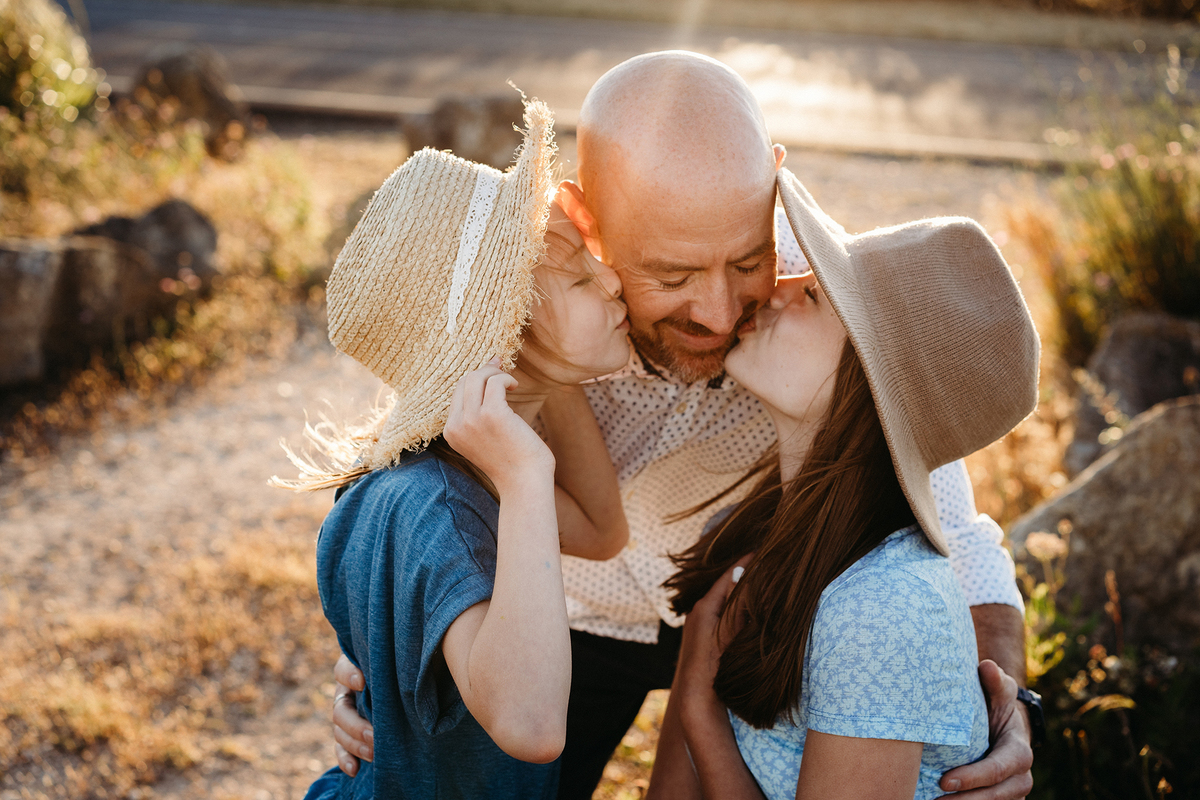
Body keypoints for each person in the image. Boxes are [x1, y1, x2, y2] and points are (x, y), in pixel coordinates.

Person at [332, 51, 1036, 799]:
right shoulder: (542, 309)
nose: (721, 313)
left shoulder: (825, 305)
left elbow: (951, 534)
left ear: (771, 181)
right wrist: (390, 648)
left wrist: (1003, 712)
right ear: (586, 224)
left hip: (760, 610)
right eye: (670, 277)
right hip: (571, 615)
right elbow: (427, 463)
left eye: (746, 262)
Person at [278, 100, 633, 799]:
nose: (615, 281)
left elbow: (601, 530)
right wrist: (529, 473)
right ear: (514, 326)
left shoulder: (436, 473)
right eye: (584, 280)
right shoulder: (443, 502)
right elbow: (531, 726)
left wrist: (542, 370)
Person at [649, 169, 1039, 799]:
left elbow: (963, 541)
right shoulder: (767, 535)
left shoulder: (880, 606)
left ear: (869, 387)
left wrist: (699, 706)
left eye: (814, 296)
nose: (775, 290)